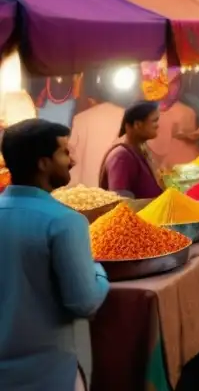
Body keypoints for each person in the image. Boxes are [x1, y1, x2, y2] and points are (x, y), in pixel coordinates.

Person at [0, 119, 110, 391]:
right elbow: (84, 302)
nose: (72, 160)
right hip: (49, 373)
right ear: (43, 163)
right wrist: (98, 271)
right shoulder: (65, 222)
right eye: (64, 152)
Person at [98, 101, 164, 199]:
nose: (157, 125)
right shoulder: (121, 157)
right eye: (154, 121)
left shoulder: (140, 151)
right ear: (138, 124)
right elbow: (121, 203)